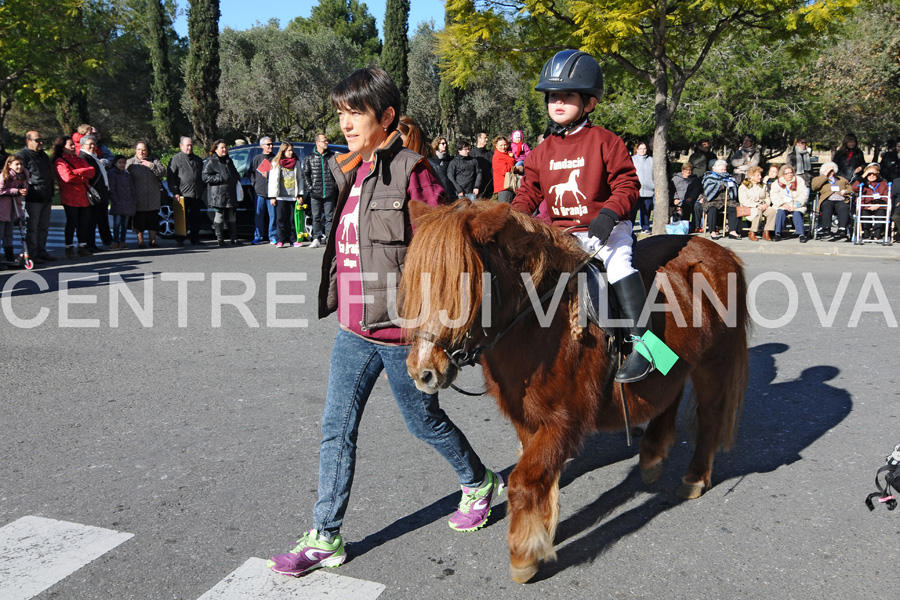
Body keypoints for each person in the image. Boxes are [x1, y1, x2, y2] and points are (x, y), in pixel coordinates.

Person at [267, 66, 502, 579]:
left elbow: (451, 247)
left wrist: (444, 323)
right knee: (336, 428)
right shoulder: (351, 170)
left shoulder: (414, 170)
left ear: (386, 116)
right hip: (354, 328)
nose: (346, 123)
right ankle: (325, 535)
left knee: (424, 423)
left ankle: (479, 482)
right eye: (341, 114)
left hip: (403, 334)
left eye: (356, 113)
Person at [511, 49, 651, 383]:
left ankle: (645, 348)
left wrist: (610, 213)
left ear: (589, 103)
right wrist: (508, 218)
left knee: (619, 266)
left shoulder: (606, 141)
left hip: (607, 230)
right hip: (564, 236)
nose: (557, 102)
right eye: (552, 96)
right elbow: (529, 193)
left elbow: (628, 184)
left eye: (566, 96)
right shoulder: (541, 152)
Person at [16, 132, 57, 263]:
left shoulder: (43, 155)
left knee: (44, 226)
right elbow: (21, 176)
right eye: (37, 140)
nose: (41, 143)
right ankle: (32, 253)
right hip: (33, 196)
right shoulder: (22, 155)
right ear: (28, 141)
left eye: (42, 140)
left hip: (46, 195)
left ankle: (41, 250)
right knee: (32, 227)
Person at [52, 136, 96, 258]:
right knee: (72, 223)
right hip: (70, 197)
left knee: (84, 223)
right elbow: (67, 177)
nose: (73, 147)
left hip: (84, 197)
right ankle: (69, 248)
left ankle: (82, 247)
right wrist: (82, 173)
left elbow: (92, 171)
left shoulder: (79, 159)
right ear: (62, 147)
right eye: (70, 145)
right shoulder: (60, 161)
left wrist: (76, 172)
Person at [125, 141, 166, 249]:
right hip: (138, 196)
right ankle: (140, 241)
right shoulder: (130, 162)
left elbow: (162, 172)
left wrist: (151, 165)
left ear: (148, 151)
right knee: (139, 220)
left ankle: (153, 241)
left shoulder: (154, 160)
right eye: (139, 149)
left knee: (152, 219)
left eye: (144, 150)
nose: (141, 152)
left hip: (153, 195)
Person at [166, 136, 206, 246]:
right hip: (182, 194)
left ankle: (195, 238)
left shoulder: (198, 160)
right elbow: (171, 177)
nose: (190, 147)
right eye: (187, 145)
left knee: (196, 218)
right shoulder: (175, 159)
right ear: (181, 146)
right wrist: (175, 192)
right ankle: (180, 239)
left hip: (196, 194)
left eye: (191, 145)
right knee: (182, 219)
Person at [202, 139, 241, 246]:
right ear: (216, 149)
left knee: (231, 215)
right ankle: (220, 239)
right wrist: (219, 178)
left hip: (230, 192)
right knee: (219, 215)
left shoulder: (229, 161)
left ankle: (234, 238)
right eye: (222, 148)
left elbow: (235, 173)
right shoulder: (211, 161)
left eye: (225, 147)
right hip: (218, 193)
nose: (224, 150)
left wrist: (236, 178)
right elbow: (205, 177)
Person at [302, 134, 338, 248]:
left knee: (329, 217)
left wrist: (334, 186)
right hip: (315, 193)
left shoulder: (332, 157)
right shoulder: (310, 157)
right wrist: (310, 188)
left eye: (327, 140)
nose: (326, 143)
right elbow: (306, 174)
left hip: (329, 191)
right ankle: (316, 238)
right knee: (315, 216)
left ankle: (329, 238)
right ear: (318, 143)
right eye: (324, 141)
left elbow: (337, 173)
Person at [78, 135, 112, 252]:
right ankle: (89, 245)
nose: (93, 146)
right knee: (90, 221)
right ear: (82, 146)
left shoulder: (92, 157)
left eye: (94, 144)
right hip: (92, 195)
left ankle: (92, 244)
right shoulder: (83, 157)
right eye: (90, 144)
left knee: (95, 220)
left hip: (100, 193)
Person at [267, 142, 304, 248]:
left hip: (293, 195)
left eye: (291, 150)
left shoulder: (296, 163)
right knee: (281, 219)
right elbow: (273, 180)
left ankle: (293, 239)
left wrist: (300, 194)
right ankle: (280, 240)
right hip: (280, 196)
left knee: (292, 220)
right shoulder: (276, 162)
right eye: (288, 150)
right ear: (283, 151)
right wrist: (273, 197)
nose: (290, 152)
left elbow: (300, 179)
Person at [810, 160, 852, 241]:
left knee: (844, 206)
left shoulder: (841, 179)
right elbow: (815, 187)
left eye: (832, 170)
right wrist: (825, 175)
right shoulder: (819, 179)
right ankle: (826, 228)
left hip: (840, 199)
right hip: (827, 199)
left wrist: (846, 191)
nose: (830, 172)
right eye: (828, 170)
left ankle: (842, 229)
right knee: (827, 206)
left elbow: (850, 188)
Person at [698, 159, 740, 240]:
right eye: (722, 170)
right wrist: (722, 184)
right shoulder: (709, 177)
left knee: (734, 209)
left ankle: (732, 231)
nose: (724, 171)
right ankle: (712, 231)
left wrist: (731, 186)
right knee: (712, 210)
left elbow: (734, 186)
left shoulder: (729, 177)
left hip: (726, 200)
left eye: (725, 169)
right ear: (715, 169)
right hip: (712, 200)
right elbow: (709, 189)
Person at [0, 156, 28, 269]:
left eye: (21, 164)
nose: (19, 166)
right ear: (9, 165)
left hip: (13, 207)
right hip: (2, 208)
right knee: (0, 233)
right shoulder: (4, 176)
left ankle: (10, 258)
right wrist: (15, 191)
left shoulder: (22, 176)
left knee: (8, 233)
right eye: (16, 164)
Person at [769, 164, 809, 242]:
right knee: (780, 212)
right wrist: (783, 204)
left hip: (796, 204)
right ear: (782, 175)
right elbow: (774, 196)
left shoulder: (799, 180)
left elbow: (804, 193)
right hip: (783, 205)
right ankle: (778, 233)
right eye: (787, 173)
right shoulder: (777, 183)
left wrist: (796, 204)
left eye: (791, 172)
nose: (789, 174)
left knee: (797, 213)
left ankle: (801, 234)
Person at [852, 163, 889, 240]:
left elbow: (887, 197)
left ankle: (877, 235)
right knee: (864, 213)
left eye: (874, 174)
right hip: (866, 206)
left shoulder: (883, 184)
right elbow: (854, 188)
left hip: (879, 205)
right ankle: (866, 233)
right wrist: (863, 175)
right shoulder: (863, 183)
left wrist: (879, 205)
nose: (872, 176)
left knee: (881, 213)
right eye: (869, 174)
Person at [738, 165, 775, 241]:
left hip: (762, 205)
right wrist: (756, 205)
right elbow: (743, 200)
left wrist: (766, 204)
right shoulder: (744, 186)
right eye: (758, 175)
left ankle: (766, 232)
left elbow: (767, 196)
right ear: (751, 176)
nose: (760, 177)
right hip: (749, 207)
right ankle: (752, 232)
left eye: (760, 175)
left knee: (772, 211)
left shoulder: (762, 185)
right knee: (757, 212)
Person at [250, 137, 276, 244]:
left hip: (272, 193)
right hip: (259, 192)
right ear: (262, 146)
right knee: (259, 215)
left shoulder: (275, 158)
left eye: (271, 144)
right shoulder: (257, 158)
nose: (270, 146)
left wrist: (269, 175)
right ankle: (258, 236)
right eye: (268, 144)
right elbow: (251, 172)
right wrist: (255, 183)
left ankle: (273, 236)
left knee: (273, 216)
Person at [107, 155, 136, 249]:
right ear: (115, 163)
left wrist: (133, 199)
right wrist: (115, 200)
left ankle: (122, 241)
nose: (122, 165)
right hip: (118, 202)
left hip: (127, 201)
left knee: (124, 224)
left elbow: (131, 187)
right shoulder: (112, 173)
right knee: (117, 224)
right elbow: (112, 188)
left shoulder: (126, 173)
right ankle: (115, 241)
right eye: (120, 163)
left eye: (124, 163)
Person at [669, 162, 701, 232]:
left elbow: (696, 190)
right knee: (671, 208)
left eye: (690, 170)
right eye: (686, 170)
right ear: (682, 170)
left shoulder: (694, 180)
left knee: (691, 206)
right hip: (677, 199)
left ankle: (691, 226)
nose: (688, 171)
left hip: (688, 200)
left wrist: (691, 197)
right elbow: (672, 190)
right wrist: (675, 199)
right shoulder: (675, 179)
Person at [631, 141, 654, 233]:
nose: (643, 150)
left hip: (648, 190)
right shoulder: (632, 160)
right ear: (637, 149)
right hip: (635, 190)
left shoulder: (651, 160)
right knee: (632, 211)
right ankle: (630, 227)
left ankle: (645, 227)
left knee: (646, 210)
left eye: (644, 148)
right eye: (640, 148)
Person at [492, 136, 518, 203]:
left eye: (505, 145)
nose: (503, 147)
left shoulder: (507, 154)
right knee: (505, 210)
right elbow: (505, 171)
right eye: (501, 145)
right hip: (504, 187)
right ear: (496, 146)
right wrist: (513, 162)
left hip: (511, 186)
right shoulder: (497, 157)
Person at [471, 132, 494, 198]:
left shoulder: (490, 154)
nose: (487, 139)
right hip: (475, 189)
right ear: (479, 139)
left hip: (489, 187)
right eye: (485, 138)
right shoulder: (471, 154)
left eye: (487, 138)